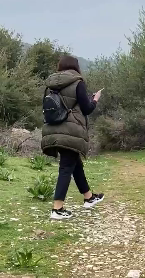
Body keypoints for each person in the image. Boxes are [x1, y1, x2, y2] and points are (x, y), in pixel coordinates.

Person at [41, 55, 105, 220]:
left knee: (75, 163)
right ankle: (57, 208)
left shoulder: (50, 85)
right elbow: (87, 108)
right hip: (71, 130)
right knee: (66, 168)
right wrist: (95, 100)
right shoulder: (78, 82)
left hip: (54, 128)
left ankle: (88, 197)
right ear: (75, 67)